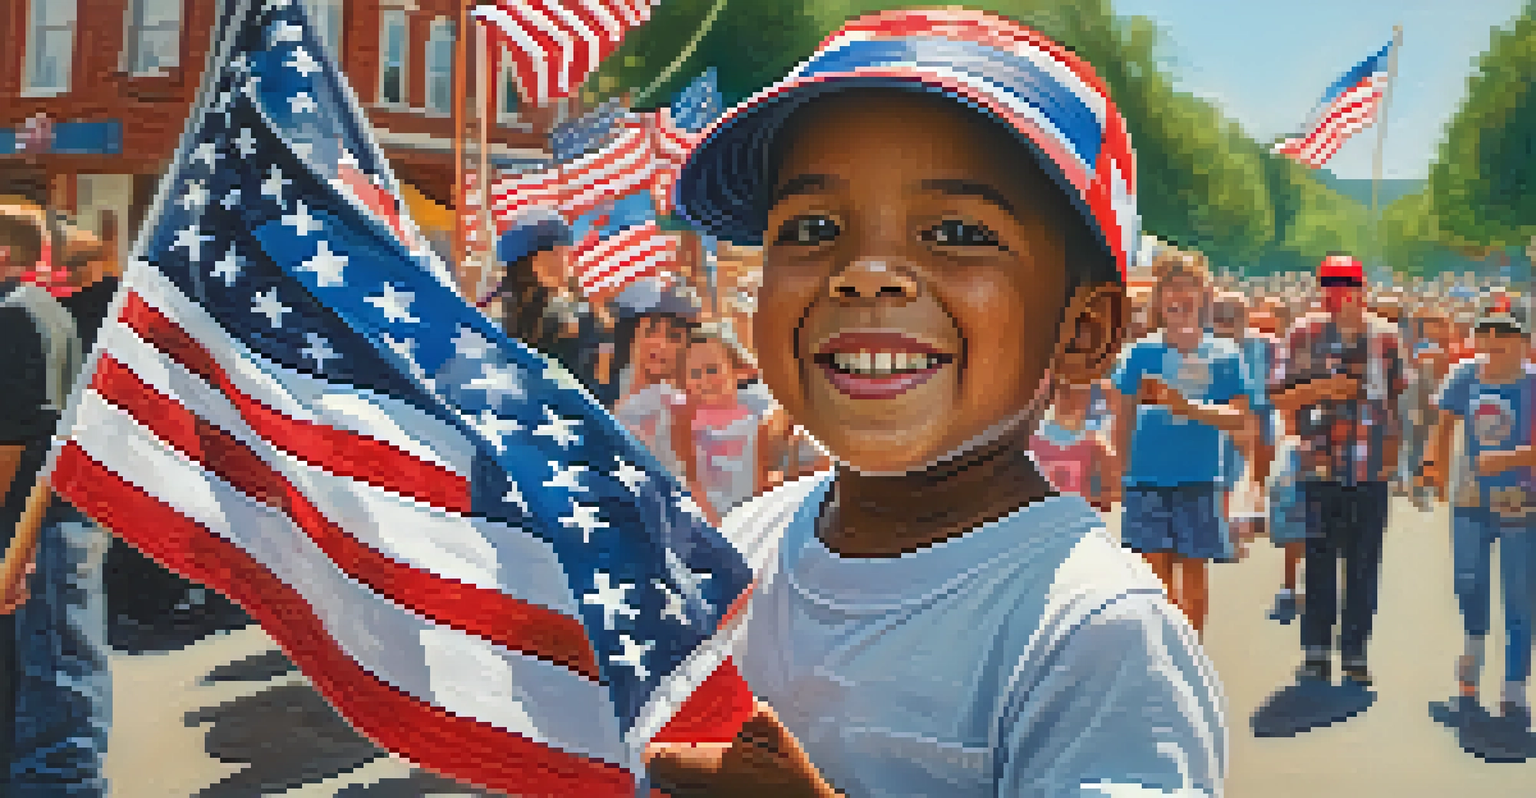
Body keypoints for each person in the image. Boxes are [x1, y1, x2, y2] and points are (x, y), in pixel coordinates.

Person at [649, 9, 1226, 796]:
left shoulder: (1096, 633)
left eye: (956, 231)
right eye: (813, 226)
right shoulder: (743, 545)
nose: (866, 274)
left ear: (1084, 331)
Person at [1107, 251, 1260, 637]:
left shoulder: (1224, 354)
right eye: (1170, 287)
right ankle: (1159, 667)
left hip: (1200, 478)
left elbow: (1240, 419)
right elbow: (1121, 418)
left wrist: (1186, 406)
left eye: (1187, 286)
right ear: (1158, 300)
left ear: (1202, 296)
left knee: (1192, 583)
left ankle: (1191, 662)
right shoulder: (1140, 354)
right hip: (1145, 479)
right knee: (1155, 584)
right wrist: (1117, 473)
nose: (1179, 295)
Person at [1270, 254, 1405, 690]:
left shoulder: (1385, 337)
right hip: (1319, 465)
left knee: (1365, 564)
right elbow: (1280, 399)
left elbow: (1401, 401)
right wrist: (1325, 388)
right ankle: (1315, 651)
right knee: (1320, 560)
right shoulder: (1302, 333)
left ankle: (1355, 652)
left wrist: (1398, 459)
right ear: (1319, 287)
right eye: (1330, 283)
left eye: (1347, 284)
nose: (1339, 293)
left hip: (1369, 466)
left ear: (1362, 289)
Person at [1421, 296, 1536, 742]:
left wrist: (1509, 458)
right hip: (1469, 500)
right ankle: (1469, 671)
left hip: (1519, 502)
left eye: (1506, 333)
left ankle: (1513, 689)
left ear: (1524, 339)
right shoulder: (1464, 374)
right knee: (1468, 583)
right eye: (1488, 331)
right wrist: (1431, 466)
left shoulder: (1532, 384)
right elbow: (1443, 423)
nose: (1495, 340)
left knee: (1519, 596)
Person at [669, 322, 794, 526]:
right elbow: (691, 479)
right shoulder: (685, 421)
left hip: (751, 520)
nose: (703, 380)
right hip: (705, 524)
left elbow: (765, 477)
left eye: (712, 370)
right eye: (694, 374)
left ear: (738, 371)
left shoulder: (759, 421)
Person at [491, 207, 612, 402]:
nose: (562, 261)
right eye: (551, 255)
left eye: (563, 253)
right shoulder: (512, 313)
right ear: (527, 266)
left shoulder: (583, 310)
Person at [1030, 379, 1111, 509]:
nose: (1071, 402)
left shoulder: (1093, 444)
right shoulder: (1033, 443)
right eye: (1065, 395)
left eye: (1078, 395)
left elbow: (1106, 495)